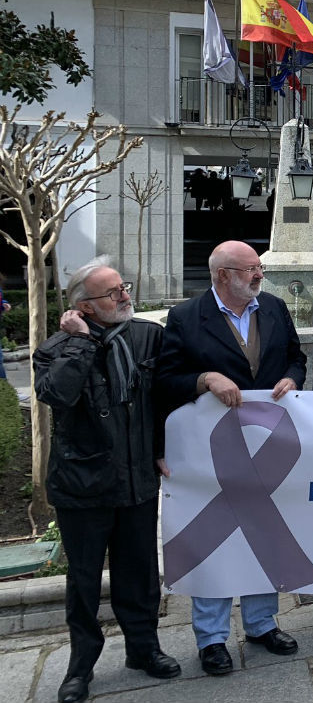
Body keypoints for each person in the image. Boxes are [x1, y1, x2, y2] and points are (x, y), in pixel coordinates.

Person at [33, 258, 180, 703]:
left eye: (124, 287)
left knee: (139, 573)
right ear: (84, 308)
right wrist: (80, 343)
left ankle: (144, 648)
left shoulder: (147, 337)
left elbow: (164, 400)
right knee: (82, 581)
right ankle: (81, 665)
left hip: (136, 480)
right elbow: (55, 394)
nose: (125, 296)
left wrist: (160, 448)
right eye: (112, 293)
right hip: (83, 484)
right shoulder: (58, 347)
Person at [156, 240, 305, 676]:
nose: (259, 275)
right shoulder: (186, 317)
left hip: (266, 447)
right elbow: (166, 378)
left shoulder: (273, 307)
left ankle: (261, 624)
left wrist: (292, 378)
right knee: (213, 540)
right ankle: (212, 638)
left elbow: (295, 356)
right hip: (211, 453)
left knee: (264, 534)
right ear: (222, 275)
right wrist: (205, 378)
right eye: (250, 269)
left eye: (259, 267)